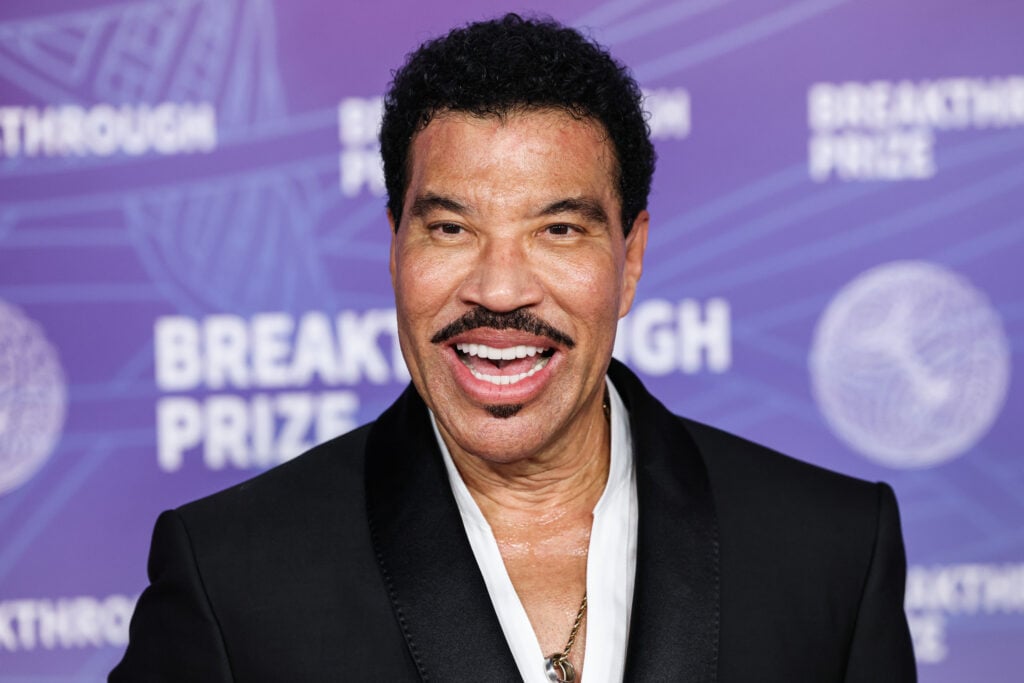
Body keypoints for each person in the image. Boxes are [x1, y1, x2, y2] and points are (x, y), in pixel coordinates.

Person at [111, 13, 916, 683]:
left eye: (558, 229)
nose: (499, 290)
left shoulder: (833, 553)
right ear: (395, 248)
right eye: (452, 228)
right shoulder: (231, 577)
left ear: (629, 260)